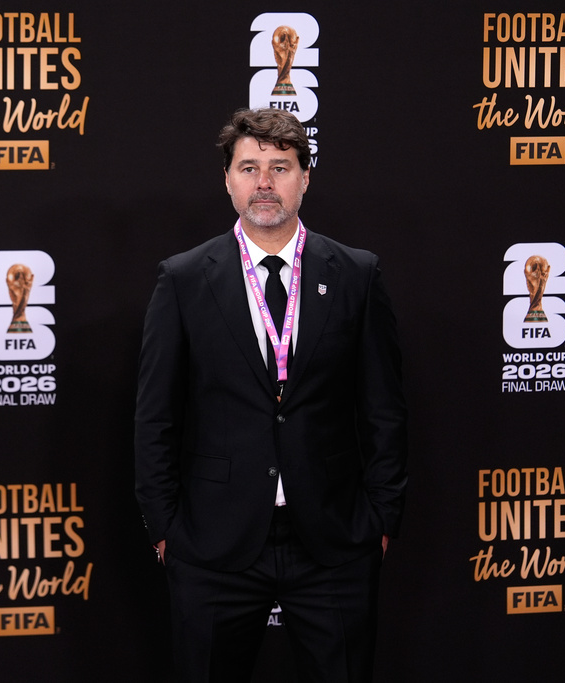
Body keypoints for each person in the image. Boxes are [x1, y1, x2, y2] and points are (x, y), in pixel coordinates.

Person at [135, 107, 408, 682]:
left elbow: (384, 411)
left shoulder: (357, 274)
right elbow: (155, 417)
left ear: (305, 178)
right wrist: (166, 530)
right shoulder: (183, 279)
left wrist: (379, 519)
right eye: (249, 167)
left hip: (333, 542)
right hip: (214, 547)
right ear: (228, 180)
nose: (264, 182)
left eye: (280, 167)